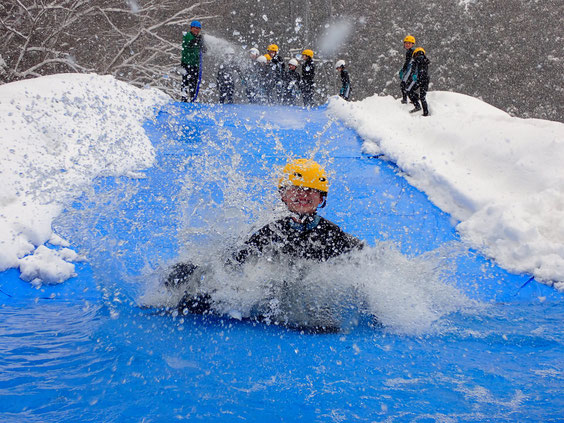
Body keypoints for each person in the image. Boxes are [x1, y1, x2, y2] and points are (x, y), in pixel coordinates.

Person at [166, 159, 364, 324]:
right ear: (283, 195)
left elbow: (364, 263)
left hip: (305, 295)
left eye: (311, 190)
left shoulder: (332, 234)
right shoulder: (270, 230)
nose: (303, 194)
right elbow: (234, 263)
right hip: (271, 294)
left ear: (321, 199)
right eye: (296, 188)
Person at [180, 20, 206, 102]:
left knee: (194, 82)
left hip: (195, 64)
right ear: (191, 28)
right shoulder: (188, 35)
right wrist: (197, 40)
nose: (197, 30)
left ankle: (193, 98)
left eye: (198, 28)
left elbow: (204, 50)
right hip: (186, 63)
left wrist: (202, 45)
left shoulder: (198, 38)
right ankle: (184, 98)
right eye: (195, 28)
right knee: (185, 81)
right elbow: (189, 44)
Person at [406, 47, 430, 116]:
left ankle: (417, 104)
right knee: (423, 97)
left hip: (419, 80)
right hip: (425, 80)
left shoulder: (415, 61)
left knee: (409, 91)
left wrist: (412, 77)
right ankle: (425, 113)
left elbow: (413, 71)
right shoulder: (425, 60)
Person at [399, 35, 416, 104]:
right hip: (412, 71)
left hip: (411, 70)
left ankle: (405, 99)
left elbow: (407, 62)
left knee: (403, 84)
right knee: (408, 85)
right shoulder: (411, 51)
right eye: (406, 43)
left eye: (409, 43)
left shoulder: (410, 51)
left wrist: (403, 70)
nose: (407, 44)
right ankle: (414, 98)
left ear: (412, 44)